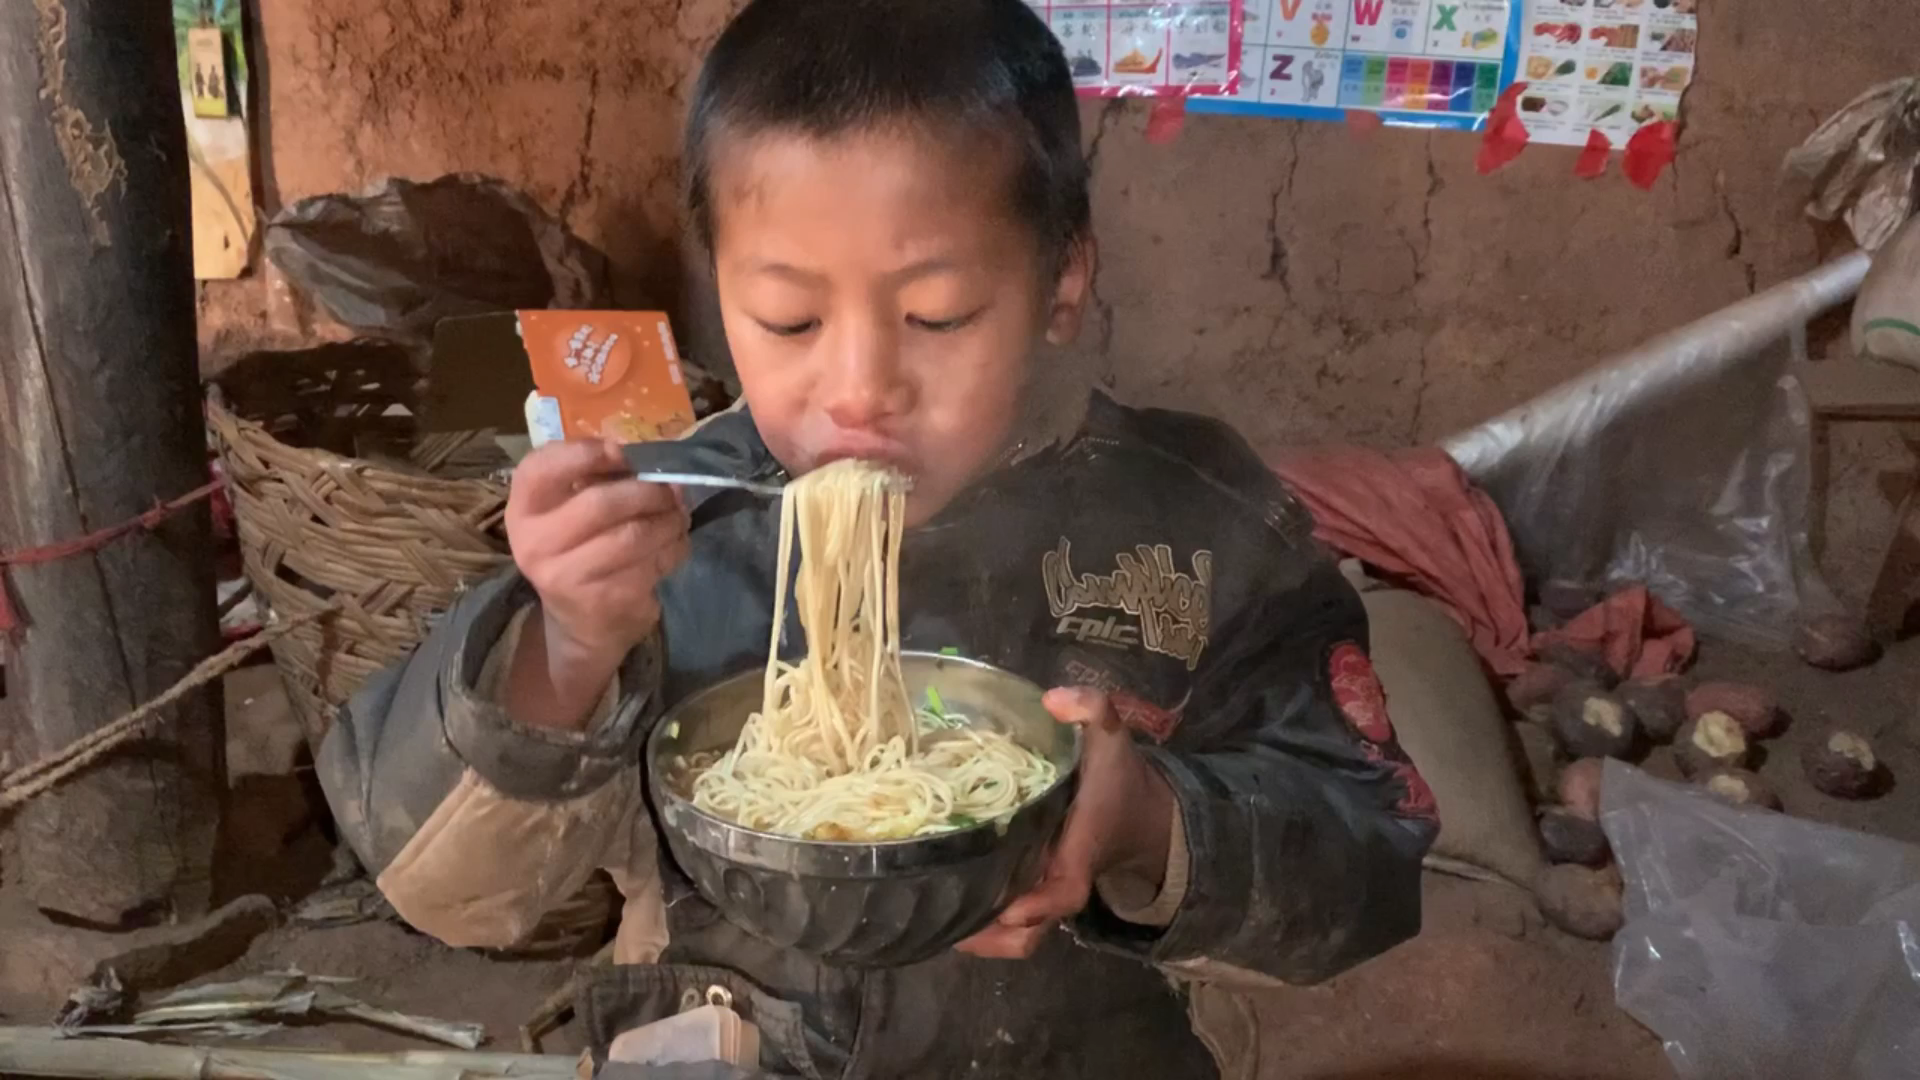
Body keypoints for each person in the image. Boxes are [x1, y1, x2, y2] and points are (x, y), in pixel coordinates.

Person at [316, 0, 1438, 1075]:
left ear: (1063, 280)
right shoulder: (670, 521)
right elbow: (446, 891)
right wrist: (565, 649)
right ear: (722, 287)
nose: (860, 389)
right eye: (791, 320)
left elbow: (1373, 865)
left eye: (937, 316)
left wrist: (1150, 823)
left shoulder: (1195, 528)